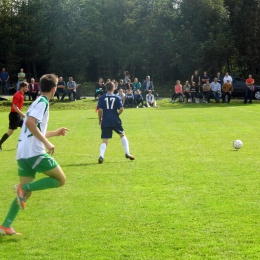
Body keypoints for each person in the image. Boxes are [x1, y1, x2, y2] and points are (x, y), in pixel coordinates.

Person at [0, 74, 69, 236]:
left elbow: (32, 129)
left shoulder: (35, 102)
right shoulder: (43, 102)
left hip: (23, 153)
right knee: (61, 179)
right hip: (34, 152)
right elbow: (30, 123)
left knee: (25, 194)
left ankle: (5, 226)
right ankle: (22, 188)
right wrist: (46, 143)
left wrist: (54, 133)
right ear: (53, 89)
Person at [97, 81, 134, 163]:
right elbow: (121, 108)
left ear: (106, 88)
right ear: (113, 88)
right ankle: (127, 153)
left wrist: (100, 120)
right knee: (122, 135)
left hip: (105, 120)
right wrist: (117, 114)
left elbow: (99, 110)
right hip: (115, 120)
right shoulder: (117, 98)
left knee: (105, 140)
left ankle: (101, 155)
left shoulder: (102, 98)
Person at [0, 81, 29, 151]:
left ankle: (20, 144)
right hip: (14, 116)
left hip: (17, 115)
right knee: (10, 132)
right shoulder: (17, 95)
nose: (27, 88)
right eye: (26, 87)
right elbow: (15, 107)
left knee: (26, 128)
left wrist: (21, 114)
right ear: (22, 87)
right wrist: (22, 114)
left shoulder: (22, 95)